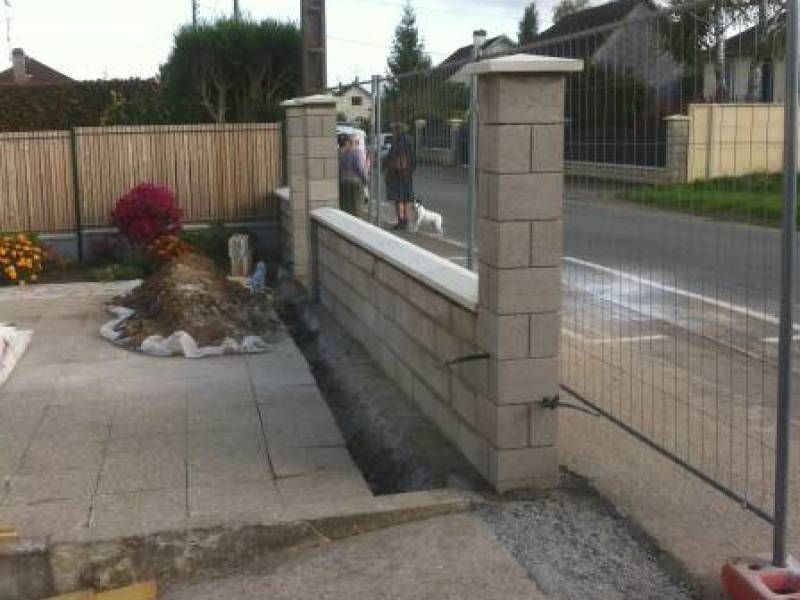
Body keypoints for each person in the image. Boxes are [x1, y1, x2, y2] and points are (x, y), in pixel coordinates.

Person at [383, 123, 414, 230]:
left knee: (399, 199)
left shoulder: (397, 143)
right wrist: (410, 170)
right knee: (407, 198)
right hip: (407, 174)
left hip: (397, 173)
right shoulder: (410, 140)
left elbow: (391, 157)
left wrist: (384, 166)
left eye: (393, 131)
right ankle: (406, 220)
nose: (392, 133)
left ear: (397, 131)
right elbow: (414, 157)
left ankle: (401, 221)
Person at [338, 134, 368, 216]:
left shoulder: (343, 153)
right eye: (357, 142)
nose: (358, 144)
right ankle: (357, 225)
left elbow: (340, 168)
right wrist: (365, 180)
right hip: (356, 182)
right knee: (357, 207)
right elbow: (360, 168)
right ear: (355, 143)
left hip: (344, 182)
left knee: (347, 208)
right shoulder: (357, 152)